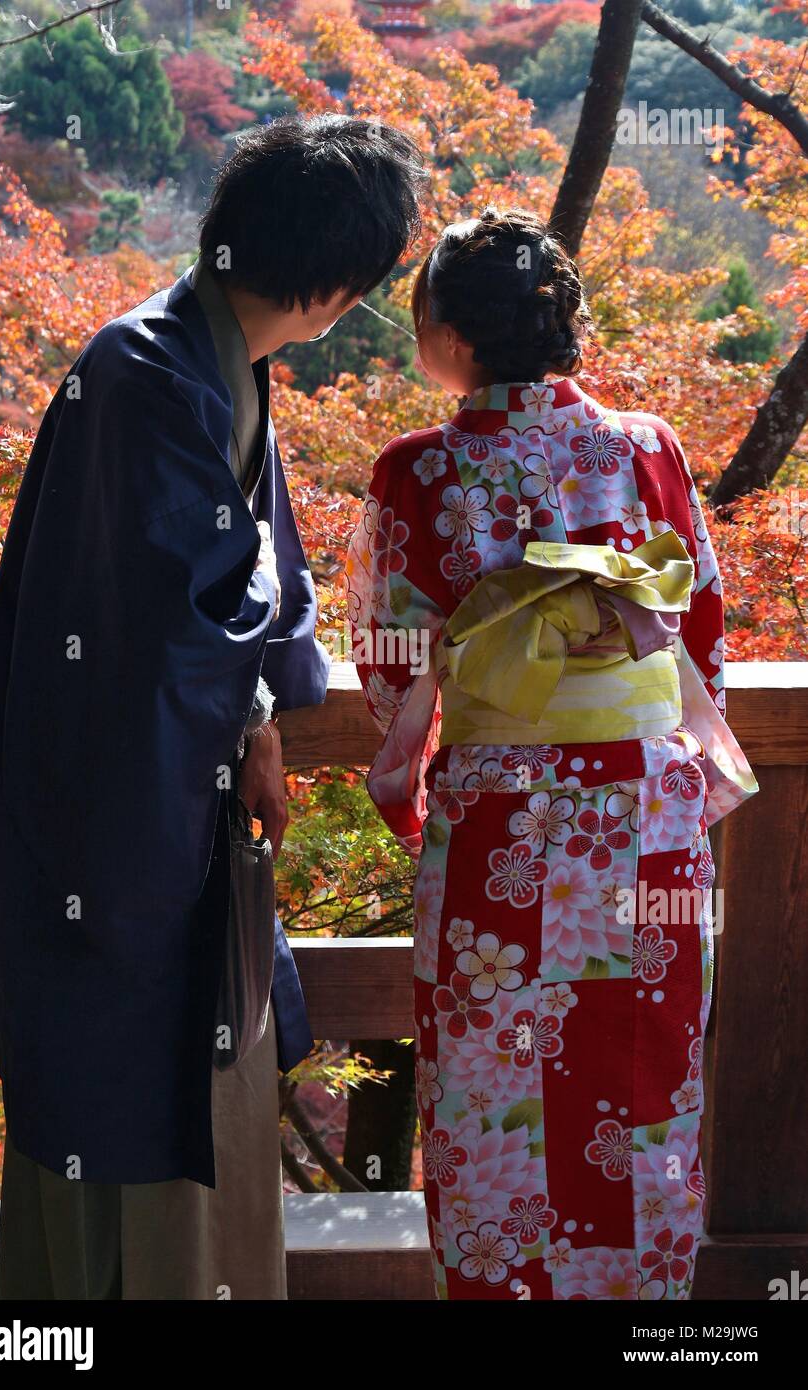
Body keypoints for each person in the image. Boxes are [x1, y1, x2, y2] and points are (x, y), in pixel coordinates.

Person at [0, 112, 426, 1299]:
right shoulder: (149, 374)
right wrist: (261, 695)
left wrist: (261, 703)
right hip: (107, 818)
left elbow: (242, 592)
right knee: (123, 1093)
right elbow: (189, 613)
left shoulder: (203, 363)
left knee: (165, 1075)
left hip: (156, 803)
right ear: (334, 286)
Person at [346, 207, 759, 1301]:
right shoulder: (646, 446)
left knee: (489, 1074)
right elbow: (700, 629)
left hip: (499, 824)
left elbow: (390, 660)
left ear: (451, 334)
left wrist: (422, 745)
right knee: (643, 1063)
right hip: (643, 818)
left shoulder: (416, 470)